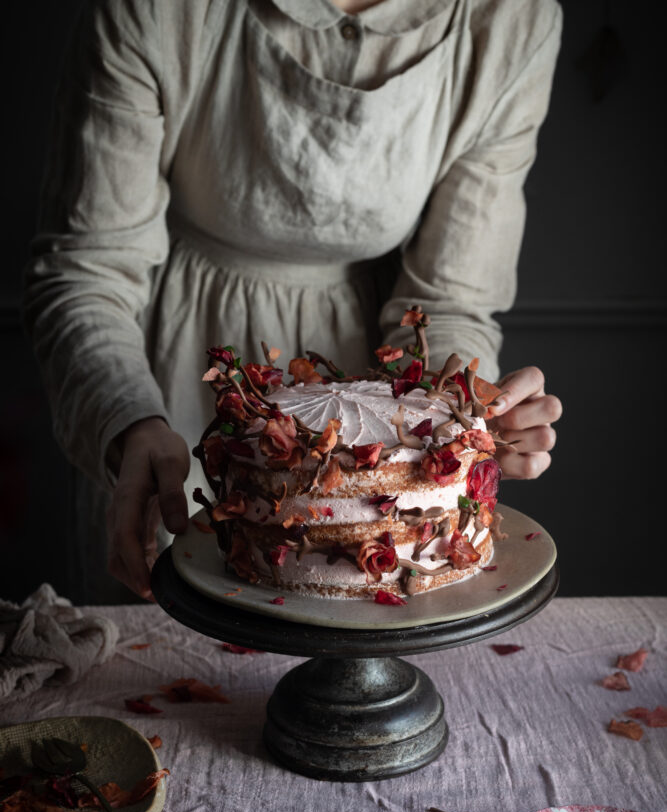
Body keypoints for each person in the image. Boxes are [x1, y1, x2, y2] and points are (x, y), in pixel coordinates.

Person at [24, 0, 563, 604]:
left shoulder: (512, 20)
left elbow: (449, 300)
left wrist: (466, 414)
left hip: (381, 391)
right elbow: (89, 268)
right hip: (167, 370)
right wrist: (128, 420)